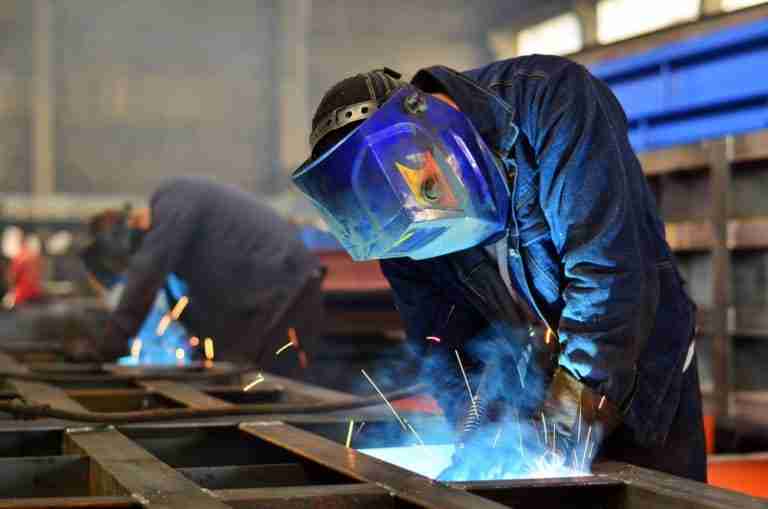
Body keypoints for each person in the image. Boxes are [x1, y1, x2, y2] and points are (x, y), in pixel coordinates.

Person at [292, 59, 705, 481]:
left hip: (639, 372)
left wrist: (559, 436)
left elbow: (608, 279)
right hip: (530, 381)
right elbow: (442, 340)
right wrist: (481, 448)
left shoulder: (554, 100)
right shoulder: (395, 217)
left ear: (423, 119)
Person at [80, 176, 325, 374]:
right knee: (244, 379)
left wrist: (110, 346)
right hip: (273, 294)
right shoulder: (179, 228)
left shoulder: (172, 199)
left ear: (130, 229)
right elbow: (199, 300)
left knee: (273, 389)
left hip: (288, 288)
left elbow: (145, 277)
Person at [4, 232, 44, 308]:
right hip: (35, 294)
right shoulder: (35, 257)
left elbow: (12, 278)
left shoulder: (19, 258)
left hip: (22, 296)